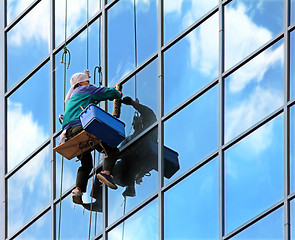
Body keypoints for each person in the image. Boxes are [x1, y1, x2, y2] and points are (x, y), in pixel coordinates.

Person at [61, 72, 122, 204]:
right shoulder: (85, 89)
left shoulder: (71, 98)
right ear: (81, 83)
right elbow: (105, 92)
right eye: (87, 81)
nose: (89, 83)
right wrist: (117, 93)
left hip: (69, 135)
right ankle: (106, 173)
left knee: (86, 163)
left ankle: (78, 190)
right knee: (111, 150)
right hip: (80, 128)